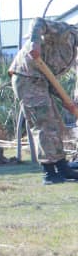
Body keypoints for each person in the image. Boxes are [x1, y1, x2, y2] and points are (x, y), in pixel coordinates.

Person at [9, 17, 78, 185]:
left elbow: (52, 75)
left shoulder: (74, 51)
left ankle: (62, 168)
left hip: (43, 81)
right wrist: (35, 43)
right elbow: (37, 21)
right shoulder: (65, 32)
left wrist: (69, 101)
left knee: (55, 123)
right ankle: (49, 173)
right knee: (44, 124)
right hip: (27, 77)